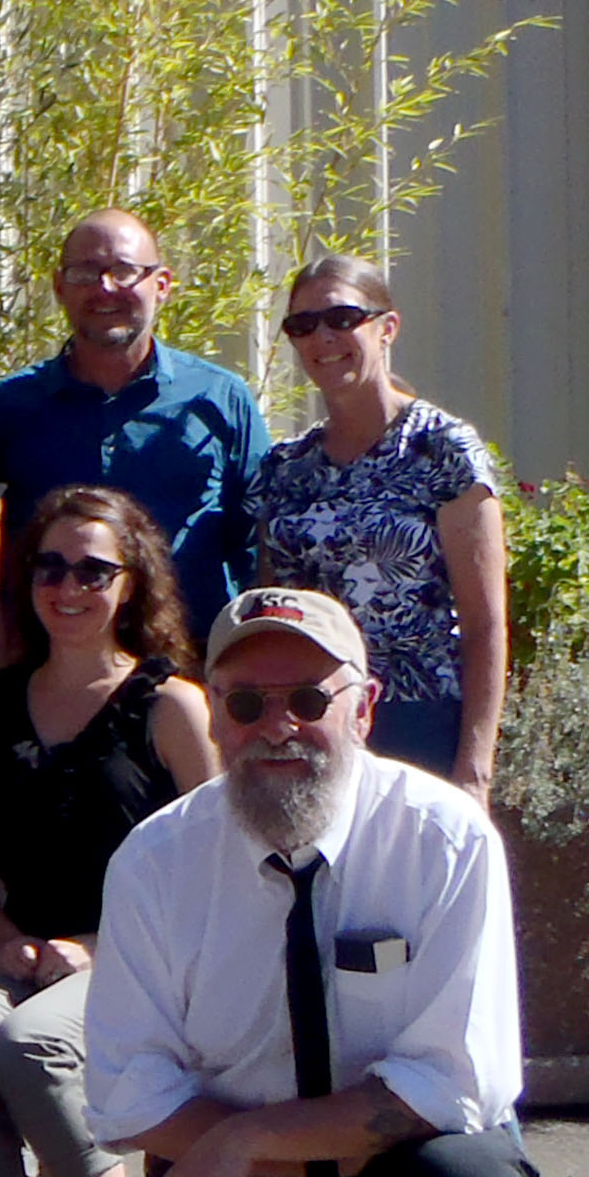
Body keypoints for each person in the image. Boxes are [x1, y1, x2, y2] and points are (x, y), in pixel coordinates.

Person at [67, 585, 541, 1177]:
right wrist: (235, 1149)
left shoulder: (446, 840)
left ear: (362, 708)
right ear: (214, 713)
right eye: (245, 702)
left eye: (309, 700)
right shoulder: (154, 862)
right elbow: (127, 1095)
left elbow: (453, 1085)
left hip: (395, 1169)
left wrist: (248, 1136)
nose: (277, 727)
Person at [0, 485, 217, 1177]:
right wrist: (4, 936)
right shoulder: (1, 701)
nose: (69, 586)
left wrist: (98, 948)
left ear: (131, 583)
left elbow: (221, 869)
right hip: (27, 953)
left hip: (145, 960)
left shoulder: (173, 705)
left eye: (93, 569)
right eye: (50, 567)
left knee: (28, 1045)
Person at [248, 254, 508, 792]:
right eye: (303, 325)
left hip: (419, 719)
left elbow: (485, 625)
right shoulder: (285, 469)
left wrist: (475, 770)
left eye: (342, 318)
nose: (323, 337)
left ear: (387, 327)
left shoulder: (442, 449)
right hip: (313, 720)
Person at [0, 210, 268, 666]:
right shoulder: (9, 409)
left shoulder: (221, 399)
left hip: (193, 670)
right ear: (59, 287)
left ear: (162, 284)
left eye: (124, 271)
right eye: (85, 272)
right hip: (51, 677)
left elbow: (260, 545)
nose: (104, 287)